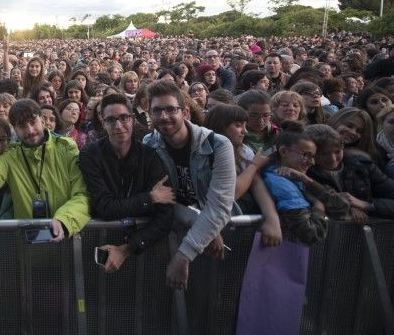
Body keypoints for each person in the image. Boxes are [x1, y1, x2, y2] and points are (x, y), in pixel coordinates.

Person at [142, 81, 236, 290]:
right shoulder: (149, 145)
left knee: (217, 297)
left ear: (185, 112)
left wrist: (184, 255)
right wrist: (202, 225)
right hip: (182, 230)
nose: (163, 116)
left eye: (170, 109)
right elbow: (161, 200)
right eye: (157, 110)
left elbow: (219, 206)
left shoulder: (218, 145)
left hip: (223, 233)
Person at [0, 99, 91, 241]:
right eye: (22, 126)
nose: (30, 130)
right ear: (15, 130)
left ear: (42, 120)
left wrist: (64, 220)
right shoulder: (11, 156)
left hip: (68, 238)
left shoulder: (66, 149)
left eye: (33, 122)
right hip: (27, 246)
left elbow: (83, 194)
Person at [79, 93, 175, 273]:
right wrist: (150, 198)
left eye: (124, 118)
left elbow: (165, 215)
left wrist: (127, 249)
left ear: (132, 119)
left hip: (145, 248)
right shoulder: (90, 154)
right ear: (102, 121)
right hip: (100, 243)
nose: (118, 125)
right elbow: (103, 207)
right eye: (111, 120)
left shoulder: (150, 156)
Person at [260, 122, 350, 245]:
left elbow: (342, 207)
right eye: (306, 155)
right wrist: (319, 207)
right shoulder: (281, 184)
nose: (312, 162)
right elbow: (310, 233)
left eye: (313, 156)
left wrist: (306, 180)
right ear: (284, 151)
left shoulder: (296, 177)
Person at [204, 105, 282, 244]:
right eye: (239, 125)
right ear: (220, 126)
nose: (244, 131)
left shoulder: (244, 151)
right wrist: (254, 166)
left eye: (245, 125)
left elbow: (257, 184)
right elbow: (231, 193)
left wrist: (272, 219)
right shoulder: (206, 154)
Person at [305, 124, 394, 223]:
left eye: (337, 152)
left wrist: (365, 205)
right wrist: (347, 208)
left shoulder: (362, 165)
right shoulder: (306, 174)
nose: (332, 159)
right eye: (324, 154)